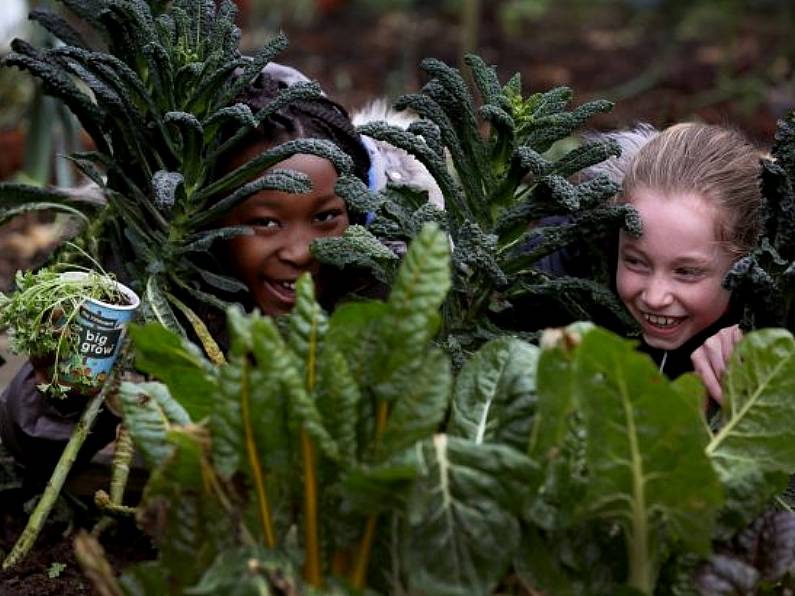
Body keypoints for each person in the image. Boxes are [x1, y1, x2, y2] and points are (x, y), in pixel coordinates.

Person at [607, 122, 763, 403]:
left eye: (686, 272)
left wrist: (761, 335)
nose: (655, 298)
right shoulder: (558, 273)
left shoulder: (771, 313)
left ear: (744, 261)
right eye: (635, 262)